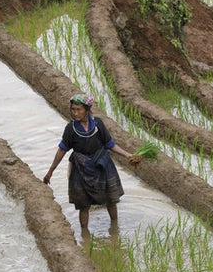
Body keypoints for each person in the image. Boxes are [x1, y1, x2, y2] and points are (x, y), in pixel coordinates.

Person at [43, 94, 142, 235]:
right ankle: (85, 234)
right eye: (73, 109)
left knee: (111, 199)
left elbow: (110, 145)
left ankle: (115, 230)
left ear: (87, 110)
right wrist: (50, 171)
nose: (75, 113)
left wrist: (128, 155)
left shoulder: (98, 124)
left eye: (78, 109)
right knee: (83, 205)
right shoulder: (71, 129)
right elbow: (62, 150)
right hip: (81, 168)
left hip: (101, 164)